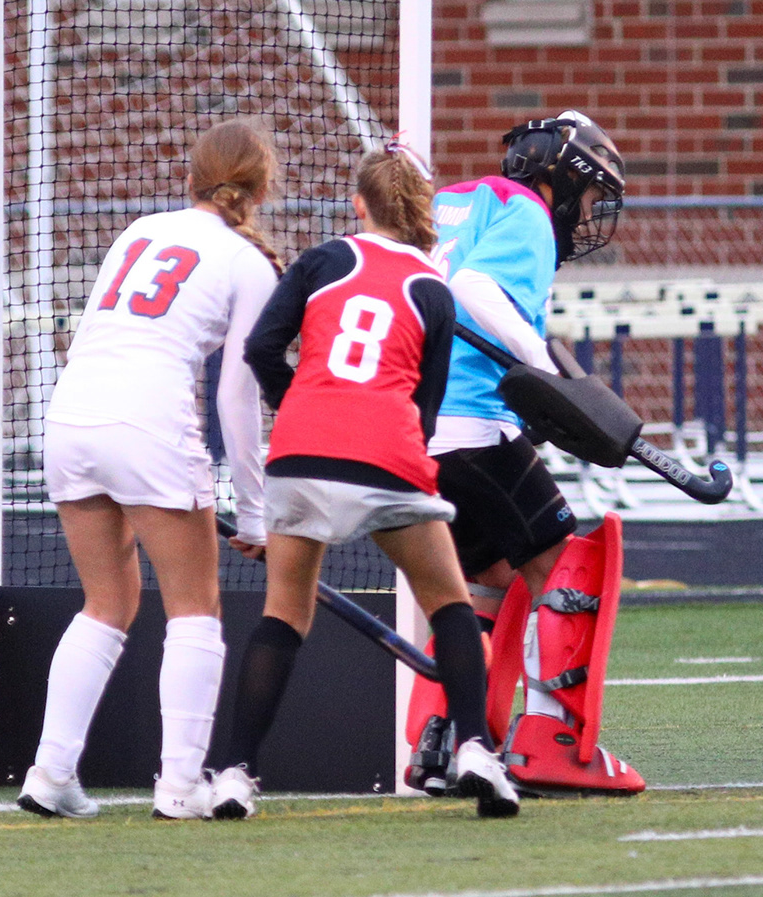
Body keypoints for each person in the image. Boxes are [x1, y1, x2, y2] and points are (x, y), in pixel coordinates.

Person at [211, 140, 520, 820]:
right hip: (387, 454)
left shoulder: (323, 260)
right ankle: (475, 747)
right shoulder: (434, 289)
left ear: (359, 205)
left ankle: (233, 773)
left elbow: (261, 347)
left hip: (300, 452)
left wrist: (297, 403)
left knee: (283, 615)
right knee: (450, 603)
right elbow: (425, 412)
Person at [19, 120, 277, 820]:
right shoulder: (248, 262)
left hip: (72, 415)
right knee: (195, 608)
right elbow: (237, 394)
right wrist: (255, 512)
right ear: (260, 190)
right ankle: (180, 786)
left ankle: (50, 774)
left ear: (191, 179)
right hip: (150, 422)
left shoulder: (140, 231)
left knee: (106, 602)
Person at [424, 110, 643, 793]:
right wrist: (543, 371)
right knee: (560, 564)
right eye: (590, 194)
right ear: (563, 177)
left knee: (486, 573)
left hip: (419, 429)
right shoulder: (524, 211)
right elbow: (473, 291)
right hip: (473, 423)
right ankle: (551, 743)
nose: (588, 214)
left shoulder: (449, 202)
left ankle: (445, 739)